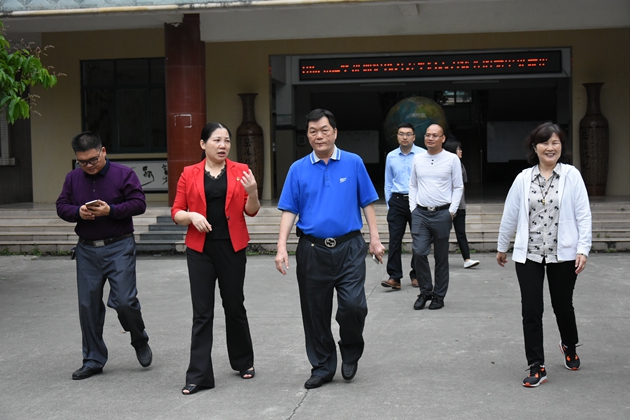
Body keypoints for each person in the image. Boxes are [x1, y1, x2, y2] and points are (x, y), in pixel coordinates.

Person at [274, 109, 386, 389]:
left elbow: (367, 201)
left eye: (324, 130)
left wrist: (374, 238)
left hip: (349, 247)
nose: (319, 136)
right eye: (313, 131)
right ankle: (323, 366)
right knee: (315, 312)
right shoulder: (298, 169)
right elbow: (289, 209)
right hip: (312, 250)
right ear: (307, 135)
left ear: (335, 132)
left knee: (353, 305)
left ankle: (350, 349)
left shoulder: (353, 162)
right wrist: (281, 246)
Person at [496, 122, 591, 387]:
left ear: (561, 146)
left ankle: (569, 345)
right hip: (529, 254)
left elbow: (583, 215)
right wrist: (502, 246)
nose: (550, 148)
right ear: (535, 147)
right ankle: (536, 365)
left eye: (555, 143)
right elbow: (510, 214)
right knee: (531, 310)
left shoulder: (572, 176)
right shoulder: (523, 179)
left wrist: (582, 249)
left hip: (564, 254)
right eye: (545, 143)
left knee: (563, 306)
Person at [172, 122, 260, 395]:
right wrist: (192, 216)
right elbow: (176, 212)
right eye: (217, 140)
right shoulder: (189, 173)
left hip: (232, 247)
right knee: (202, 313)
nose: (223, 145)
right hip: (200, 250)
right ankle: (198, 375)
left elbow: (252, 210)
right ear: (203, 144)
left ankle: (243, 360)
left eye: (227, 140)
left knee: (234, 306)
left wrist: (253, 192)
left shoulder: (241, 171)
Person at [56, 131, 152, 380]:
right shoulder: (73, 178)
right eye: (82, 162)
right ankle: (93, 359)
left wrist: (112, 210)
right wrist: (77, 212)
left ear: (103, 152)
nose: (88, 166)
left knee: (124, 301)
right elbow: (61, 206)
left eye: (92, 160)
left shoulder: (124, 174)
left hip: (119, 245)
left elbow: (139, 203)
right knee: (88, 305)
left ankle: (139, 338)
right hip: (87, 249)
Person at [409, 123, 463, 310]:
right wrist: (413, 208)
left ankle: (439, 296)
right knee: (419, 252)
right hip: (420, 213)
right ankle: (425, 292)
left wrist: (452, 211)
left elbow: (458, 186)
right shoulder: (418, 158)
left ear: (443, 138)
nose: (430, 138)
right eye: (427, 135)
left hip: (442, 213)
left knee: (441, 257)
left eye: (434, 135)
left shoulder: (451, 159)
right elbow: (413, 184)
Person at [381, 122, 425, 290]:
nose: (404, 137)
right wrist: (390, 204)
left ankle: (417, 275)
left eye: (408, 134)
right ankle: (394, 277)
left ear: (414, 136)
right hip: (397, 201)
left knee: (419, 240)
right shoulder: (391, 156)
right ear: (397, 136)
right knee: (394, 240)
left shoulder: (422, 154)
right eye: (401, 134)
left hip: (417, 201)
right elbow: (388, 182)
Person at [443, 140, 480, 269]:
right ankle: (441, 259)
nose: (461, 151)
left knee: (461, 233)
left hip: (459, 206)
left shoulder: (460, 165)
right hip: (446, 206)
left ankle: (467, 259)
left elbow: (461, 186)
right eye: (458, 149)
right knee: (442, 234)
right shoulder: (445, 165)